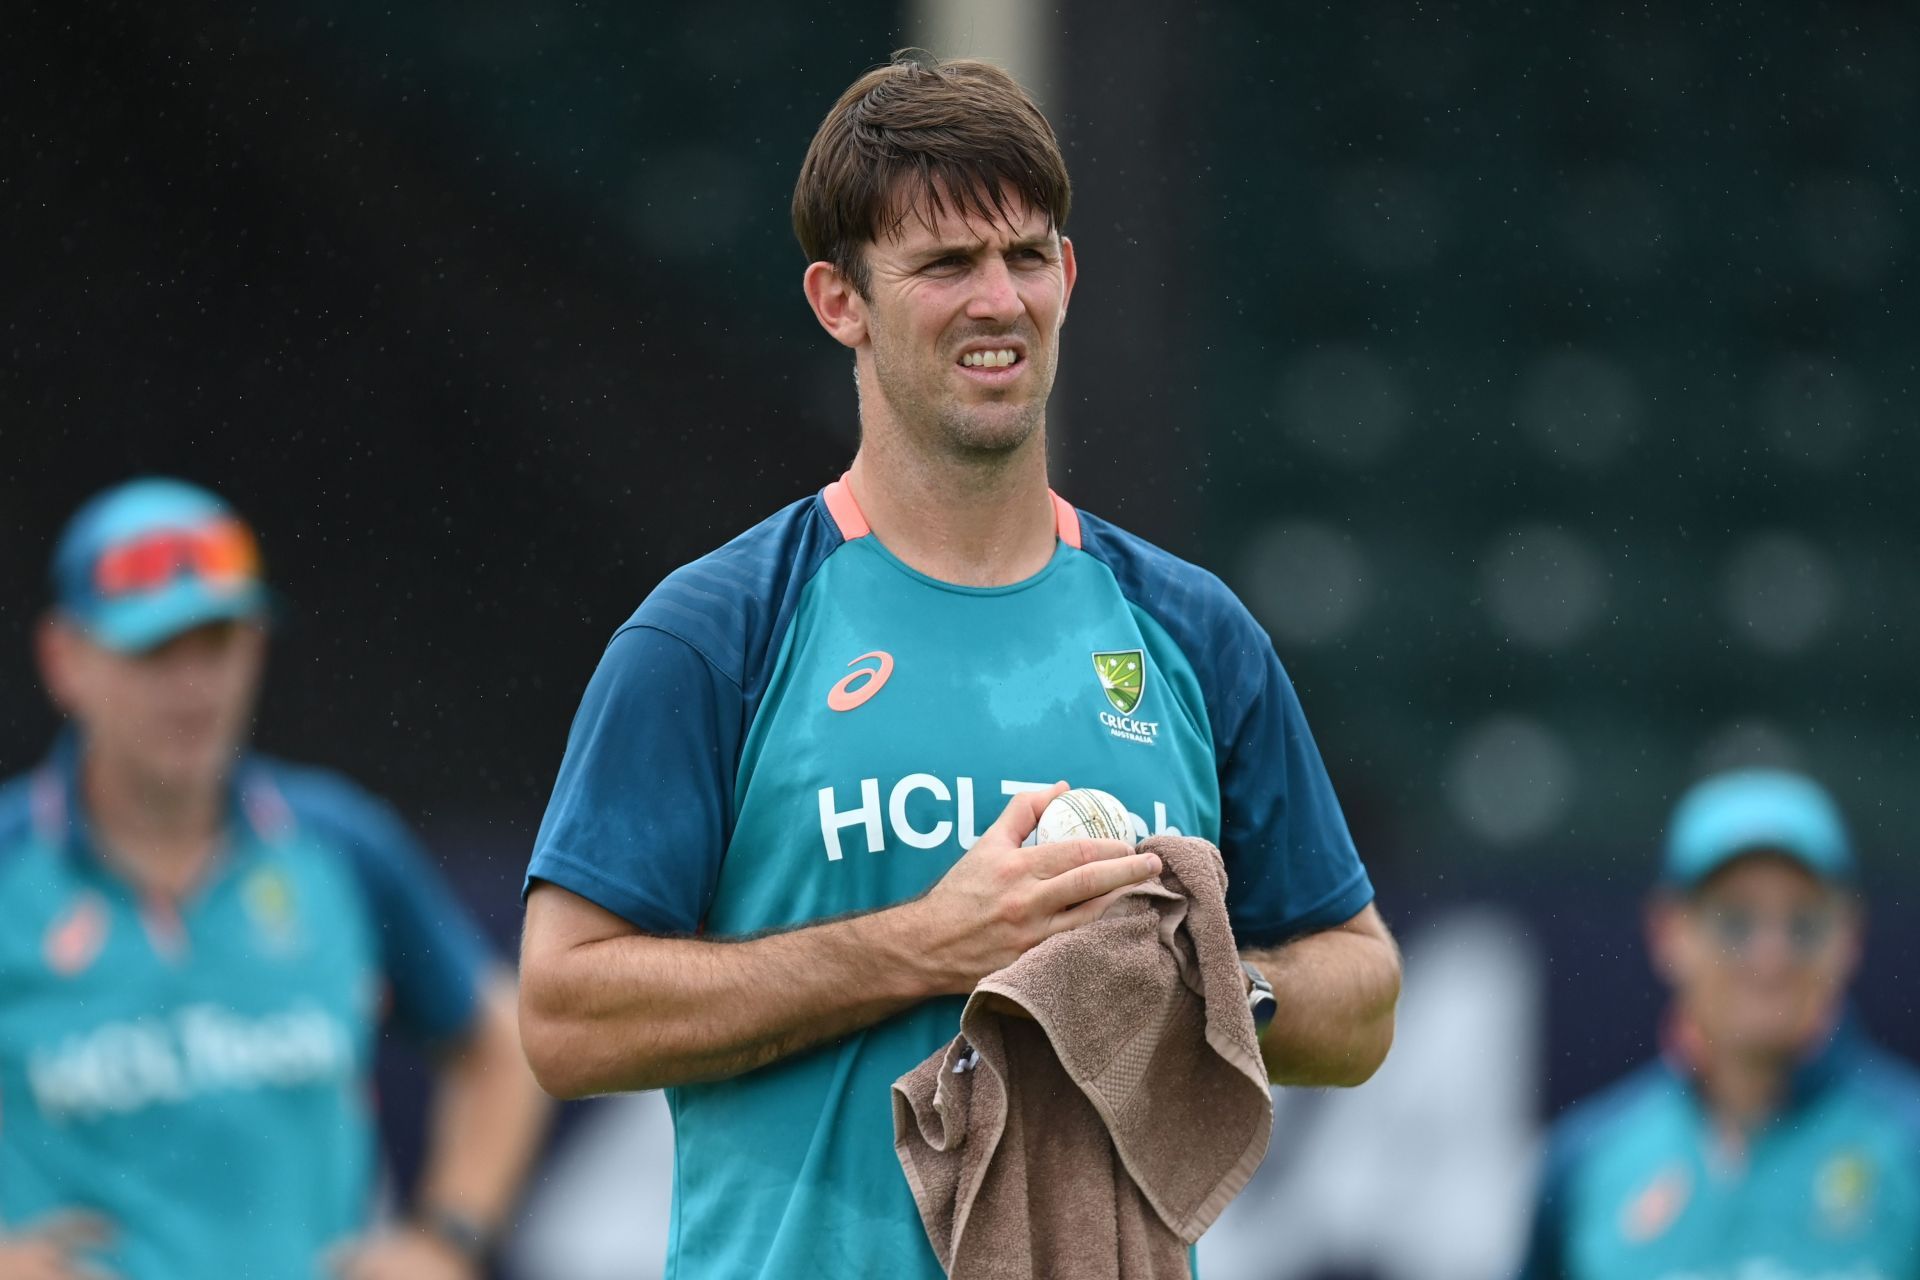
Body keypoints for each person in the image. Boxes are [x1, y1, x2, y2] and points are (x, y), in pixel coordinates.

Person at [517, 51, 1402, 1279]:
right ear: (841, 301)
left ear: (1070, 275)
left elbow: (1362, 996)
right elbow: (563, 1013)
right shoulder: (714, 632)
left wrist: (1197, 980)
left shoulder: (1191, 631)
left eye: (1028, 254)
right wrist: (923, 945)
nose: (1000, 299)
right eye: (945, 265)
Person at [0, 478, 550, 1280]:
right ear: (64, 659)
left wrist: (446, 1240)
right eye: (153, 650)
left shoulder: (337, 845)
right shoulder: (11, 863)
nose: (194, 685)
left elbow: (502, 1040)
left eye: (217, 642)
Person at [1518, 768, 1920, 1278]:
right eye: (1735, 921)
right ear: (1668, 932)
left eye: (1804, 924)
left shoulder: (1908, 1147)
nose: (1770, 957)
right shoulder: (1584, 1166)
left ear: (1850, 937)